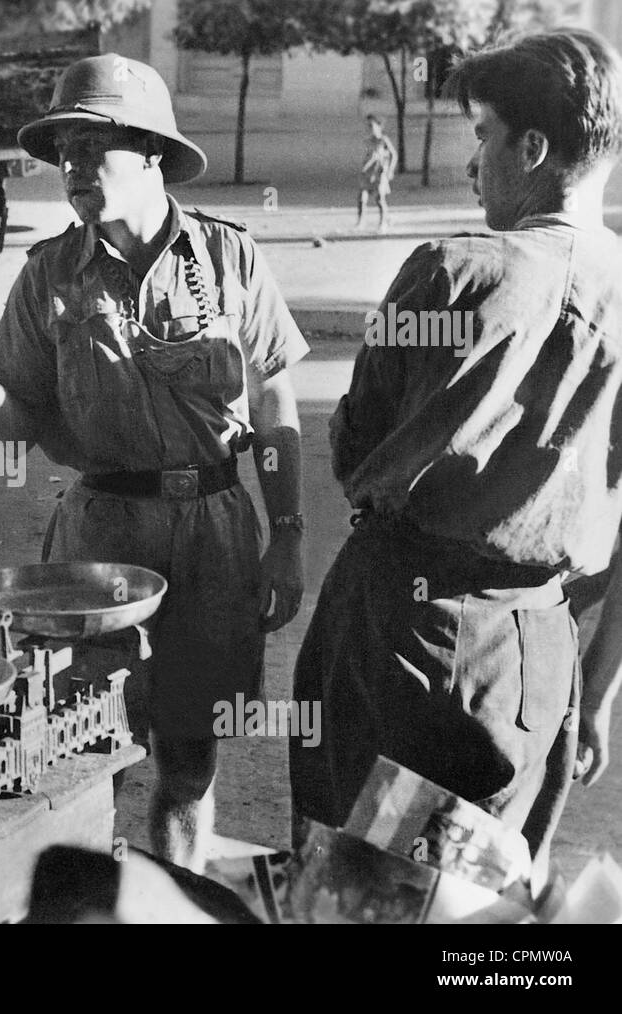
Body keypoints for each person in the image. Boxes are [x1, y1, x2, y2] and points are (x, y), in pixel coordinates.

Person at [0, 54, 308, 873]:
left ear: (150, 154)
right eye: (61, 150)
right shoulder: (46, 276)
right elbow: (13, 425)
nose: (69, 168)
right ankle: (87, 901)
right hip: (99, 537)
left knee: (190, 750)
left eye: (89, 146)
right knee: (82, 745)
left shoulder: (231, 259)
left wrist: (287, 532)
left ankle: (174, 888)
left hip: (214, 529)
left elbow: (276, 403)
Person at [289, 29, 622, 875]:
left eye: (483, 134)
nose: (474, 160)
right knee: (482, 907)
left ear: (534, 148)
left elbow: (358, 447)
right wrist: (599, 695)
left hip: (408, 633)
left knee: (361, 885)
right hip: (540, 652)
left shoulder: (454, 270)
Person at [356, 114, 397, 233]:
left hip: (380, 172)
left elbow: (393, 155)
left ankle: (383, 223)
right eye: (367, 125)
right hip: (368, 172)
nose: (369, 128)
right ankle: (360, 222)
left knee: (379, 199)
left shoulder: (383, 140)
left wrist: (390, 170)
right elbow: (365, 156)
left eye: (371, 125)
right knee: (362, 197)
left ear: (379, 126)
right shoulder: (367, 141)